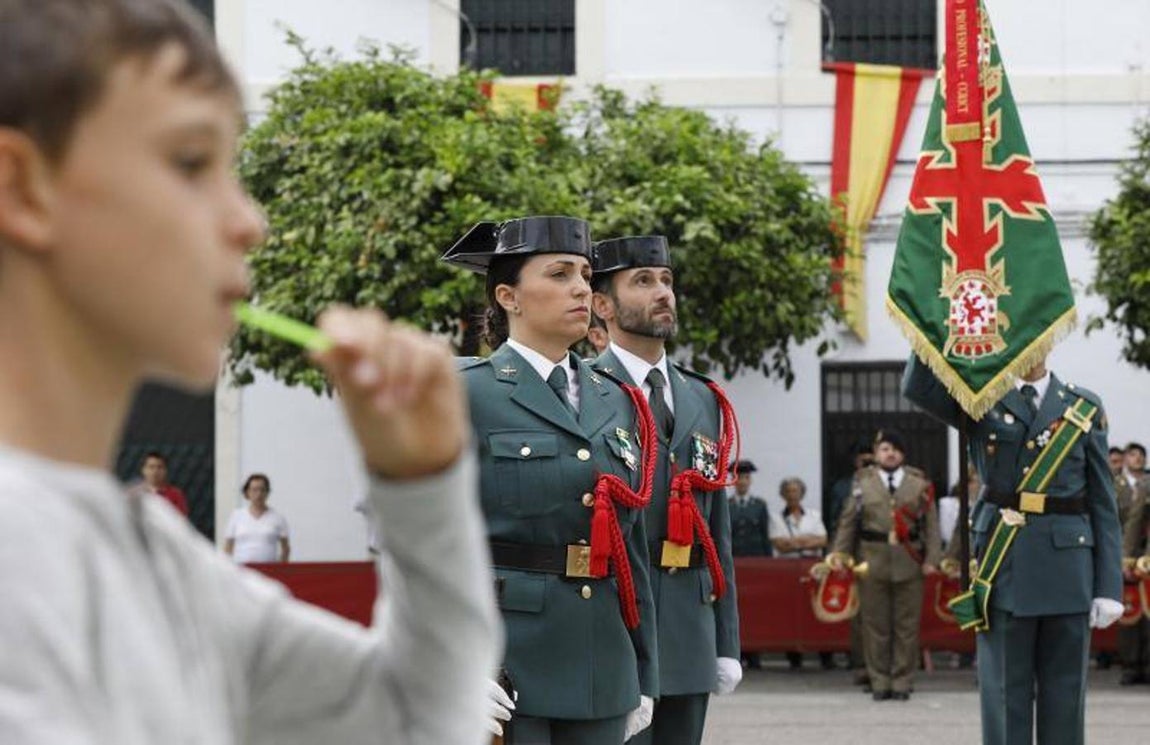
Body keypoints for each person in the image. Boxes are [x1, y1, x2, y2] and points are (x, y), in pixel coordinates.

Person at [0, 2, 500, 742]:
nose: (250, 222)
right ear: (21, 187)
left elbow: (416, 717)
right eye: (191, 162)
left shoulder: (157, 558)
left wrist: (422, 484)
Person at [441, 217, 657, 745]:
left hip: (603, 661)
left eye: (584, 274)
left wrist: (644, 671)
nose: (582, 287)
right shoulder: (464, 393)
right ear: (509, 296)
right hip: (508, 662)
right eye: (559, 274)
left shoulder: (619, 399)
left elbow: (633, 550)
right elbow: (429, 544)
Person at [903, 355, 1123, 744]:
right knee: (1005, 695)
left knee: (1066, 696)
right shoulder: (982, 400)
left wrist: (1108, 586)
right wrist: (929, 331)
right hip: (1003, 566)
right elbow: (918, 389)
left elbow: (1103, 503)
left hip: (1068, 568)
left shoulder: (1083, 406)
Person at [590, 235, 740, 745]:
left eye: (667, 281)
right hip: (620, 620)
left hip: (689, 627)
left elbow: (717, 530)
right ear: (602, 305)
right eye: (643, 281)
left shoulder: (704, 397)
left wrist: (727, 640)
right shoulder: (585, 391)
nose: (663, 293)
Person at [828, 429, 941, 701]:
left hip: (909, 561)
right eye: (884, 449)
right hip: (872, 561)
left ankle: (902, 680)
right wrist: (839, 556)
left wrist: (932, 560)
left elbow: (931, 525)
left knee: (906, 626)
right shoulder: (862, 482)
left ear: (903, 454)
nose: (890, 453)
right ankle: (879, 680)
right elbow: (848, 522)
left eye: (895, 449)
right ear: (877, 454)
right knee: (874, 626)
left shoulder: (918, 483)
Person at [769, 477, 832, 670]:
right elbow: (779, 544)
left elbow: (822, 540)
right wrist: (806, 540)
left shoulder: (814, 515)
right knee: (789, 612)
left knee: (816, 611)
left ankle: (825, 654)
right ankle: (794, 657)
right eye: (788, 491)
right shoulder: (776, 517)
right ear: (783, 495)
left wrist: (795, 541)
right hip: (787, 569)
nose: (792, 495)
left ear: (802, 493)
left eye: (796, 491)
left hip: (812, 568)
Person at [1118, 443, 1150, 685]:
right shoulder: (1114, 484)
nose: (1137, 459)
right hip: (1126, 554)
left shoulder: (1147, 484)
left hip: (1147, 555)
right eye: (1133, 455)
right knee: (1128, 611)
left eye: (1142, 455)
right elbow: (1128, 524)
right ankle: (1130, 665)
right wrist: (1124, 556)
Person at [224, 473, 290, 563]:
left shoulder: (278, 517)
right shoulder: (236, 516)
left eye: (262, 490)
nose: (259, 494)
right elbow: (228, 547)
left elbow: (285, 548)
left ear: (267, 492)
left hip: (268, 571)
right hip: (241, 571)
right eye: (254, 490)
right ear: (247, 492)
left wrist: (281, 568)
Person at [825, 442, 873, 541]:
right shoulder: (842, 487)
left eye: (871, 462)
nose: (867, 466)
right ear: (855, 461)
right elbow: (835, 519)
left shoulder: (883, 484)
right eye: (864, 462)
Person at [728, 460, 772, 557]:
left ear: (750, 480)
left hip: (756, 559)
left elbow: (765, 535)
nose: (742, 482)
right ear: (733, 480)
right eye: (738, 478)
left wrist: (769, 560)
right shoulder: (726, 506)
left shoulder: (760, 506)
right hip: (732, 558)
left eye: (746, 478)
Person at [135, 450, 189, 516]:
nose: (155, 471)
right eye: (151, 467)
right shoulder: (135, 496)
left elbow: (180, 521)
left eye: (159, 467)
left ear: (165, 471)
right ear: (143, 470)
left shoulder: (176, 495)